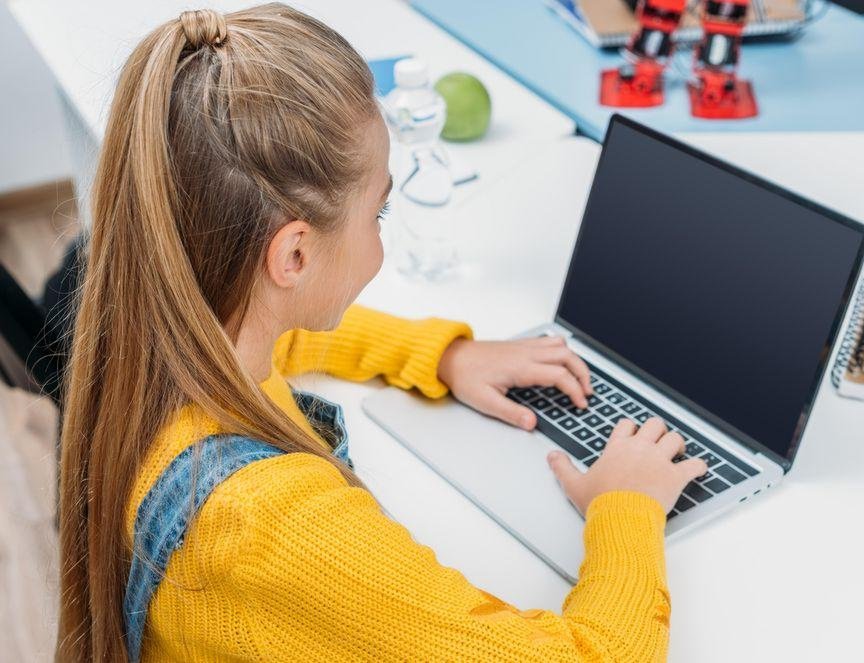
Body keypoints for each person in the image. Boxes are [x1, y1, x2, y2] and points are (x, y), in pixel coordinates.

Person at [56, 4, 707, 661]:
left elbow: (288, 334)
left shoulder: (158, 330)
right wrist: (626, 506)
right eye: (379, 209)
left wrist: (444, 355)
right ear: (294, 257)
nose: (380, 237)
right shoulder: (278, 528)